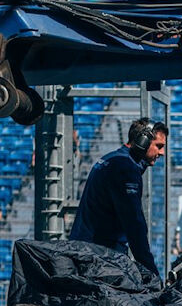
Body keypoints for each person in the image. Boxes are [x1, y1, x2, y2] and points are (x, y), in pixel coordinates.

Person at [69, 117, 168, 279]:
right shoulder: (125, 169)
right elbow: (134, 224)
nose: (162, 153)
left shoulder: (111, 159)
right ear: (142, 141)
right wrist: (152, 273)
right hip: (99, 257)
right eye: (159, 146)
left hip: (88, 251)